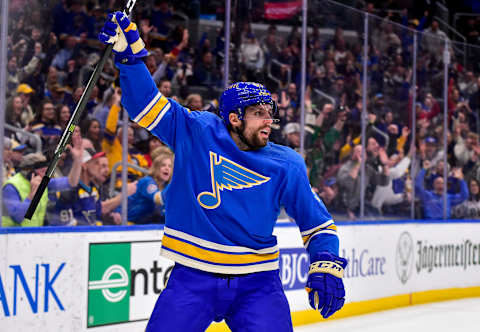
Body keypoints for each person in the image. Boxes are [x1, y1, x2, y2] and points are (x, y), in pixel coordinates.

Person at [99, 12, 347, 331]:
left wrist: (325, 262)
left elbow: (319, 224)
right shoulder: (198, 131)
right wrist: (131, 61)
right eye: (258, 114)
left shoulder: (287, 163)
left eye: (270, 114)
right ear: (233, 118)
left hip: (258, 284)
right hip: (192, 278)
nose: (268, 121)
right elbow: (145, 106)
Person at [2, 130, 83, 227]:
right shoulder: (11, 187)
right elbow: (18, 217)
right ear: (30, 172)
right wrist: (31, 196)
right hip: (11, 237)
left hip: (35, 235)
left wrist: (78, 161)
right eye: (43, 171)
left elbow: (71, 182)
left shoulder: (44, 182)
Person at [125, 151, 173, 224]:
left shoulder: (165, 186)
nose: (167, 168)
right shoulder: (147, 182)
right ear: (156, 168)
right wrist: (176, 183)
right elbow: (158, 199)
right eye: (163, 165)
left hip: (146, 225)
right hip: (128, 224)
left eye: (170, 166)